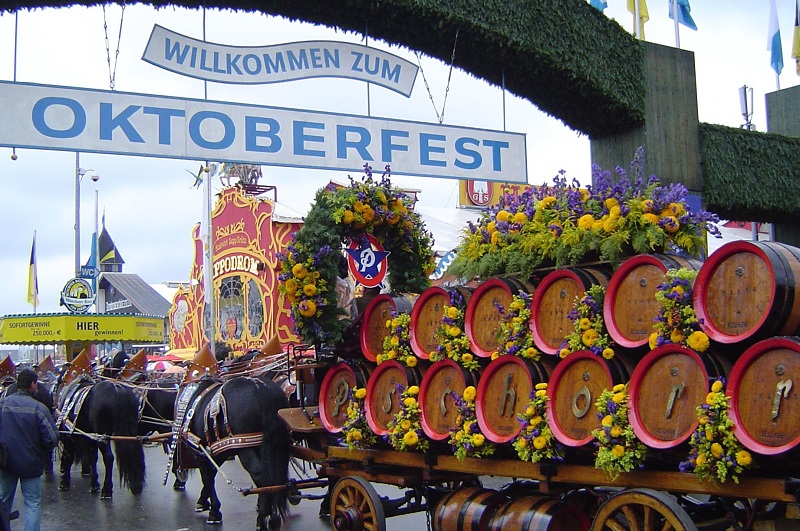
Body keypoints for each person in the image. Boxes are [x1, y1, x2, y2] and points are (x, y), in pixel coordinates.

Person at [0, 369, 58, 531]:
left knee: (3, 502)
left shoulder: (3, 404)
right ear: (32, 385)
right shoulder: (39, 408)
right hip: (31, 463)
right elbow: (52, 438)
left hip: (6, 463)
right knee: (32, 504)